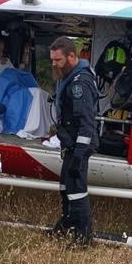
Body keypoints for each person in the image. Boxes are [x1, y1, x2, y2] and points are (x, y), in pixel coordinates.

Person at [50, 36, 99, 246]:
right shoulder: (69, 76)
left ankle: (83, 238)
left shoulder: (81, 83)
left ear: (72, 56)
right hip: (70, 143)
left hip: (79, 145)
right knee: (66, 188)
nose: (54, 64)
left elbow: (86, 123)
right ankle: (66, 226)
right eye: (52, 60)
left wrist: (79, 155)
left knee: (77, 191)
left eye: (58, 60)